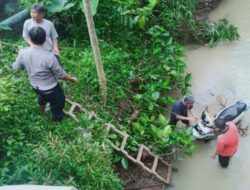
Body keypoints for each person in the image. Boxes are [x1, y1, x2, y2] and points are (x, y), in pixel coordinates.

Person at [12, 26, 78, 122]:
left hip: (35, 86)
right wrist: (72, 79)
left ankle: (42, 111)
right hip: (50, 88)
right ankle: (57, 121)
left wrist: (20, 53)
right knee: (59, 102)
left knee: (42, 96)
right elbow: (61, 75)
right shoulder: (49, 57)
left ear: (30, 39)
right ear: (45, 40)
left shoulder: (23, 52)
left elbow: (16, 67)